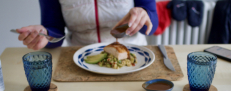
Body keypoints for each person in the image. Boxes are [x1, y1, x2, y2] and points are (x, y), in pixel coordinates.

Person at [16, 0, 158, 50]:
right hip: (80, 59)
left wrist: (144, 14)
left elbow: (152, 26)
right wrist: (45, 35)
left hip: (132, 53)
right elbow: (55, 30)